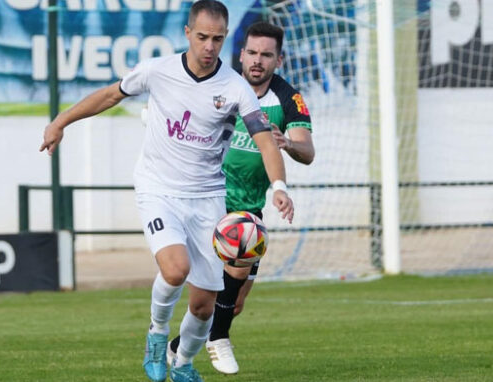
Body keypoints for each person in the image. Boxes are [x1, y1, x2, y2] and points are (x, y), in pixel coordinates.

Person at [40, 2, 294, 381]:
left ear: (226, 40)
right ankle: (157, 335)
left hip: (208, 197)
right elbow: (111, 95)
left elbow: (265, 140)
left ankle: (184, 364)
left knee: (205, 305)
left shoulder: (236, 88)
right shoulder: (157, 71)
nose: (210, 47)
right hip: (158, 188)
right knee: (176, 270)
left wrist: (278, 186)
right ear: (188, 33)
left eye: (218, 39)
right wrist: (61, 121)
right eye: (203, 37)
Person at [168, 21, 314, 375]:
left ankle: (176, 348)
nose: (257, 61)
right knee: (213, 293)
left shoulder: (287, 98)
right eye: (251, 53)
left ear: (279, 60)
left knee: (231, 304)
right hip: (211, 197)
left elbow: (307, 151)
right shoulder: (223, 87)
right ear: (242, 54)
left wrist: (287, 143)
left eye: (266, 55)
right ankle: (217, 339)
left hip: (250, 203)